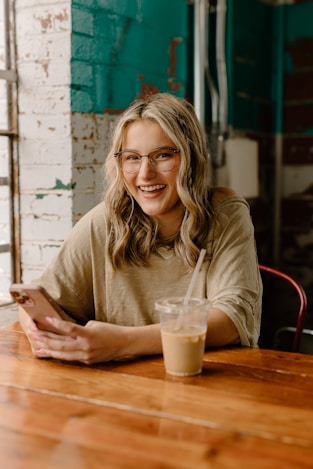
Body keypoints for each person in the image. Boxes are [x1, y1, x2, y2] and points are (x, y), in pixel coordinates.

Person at [18, 92, 262, 364]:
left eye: (162, 155)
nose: (145, 173)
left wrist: (121, 342)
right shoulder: (103, 222)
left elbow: (233, 319)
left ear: (191, 160)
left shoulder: (225, 215)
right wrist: (35, 326)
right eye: (132, 158)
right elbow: (41, 299)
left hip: (208, 385)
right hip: (119, 391)